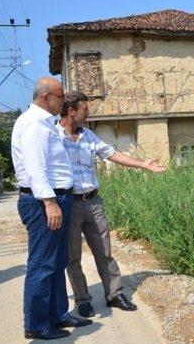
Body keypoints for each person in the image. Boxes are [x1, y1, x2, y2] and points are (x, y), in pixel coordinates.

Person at [58, 91, 166, 318]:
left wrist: (143, 165)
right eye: (84, 110)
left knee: (104, 251)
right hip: (69, 203)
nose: (88, 114)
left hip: (93, 201)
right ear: (71, 111)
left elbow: (112, 154)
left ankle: (114, 294)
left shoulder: (89, 135)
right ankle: (83, 300)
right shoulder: (53, 136)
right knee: (72, 256)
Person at [12, 78, 92, 340]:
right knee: (42, 264)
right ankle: (36, 324)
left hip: (58, 198)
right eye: (59, 97)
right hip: (43, 202)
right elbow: (36, 168)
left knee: (57, 261)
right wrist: (49, 202)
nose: (63, 101)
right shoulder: (34, 124)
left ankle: (58, 314)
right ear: (45, 97)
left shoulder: (46, 124)